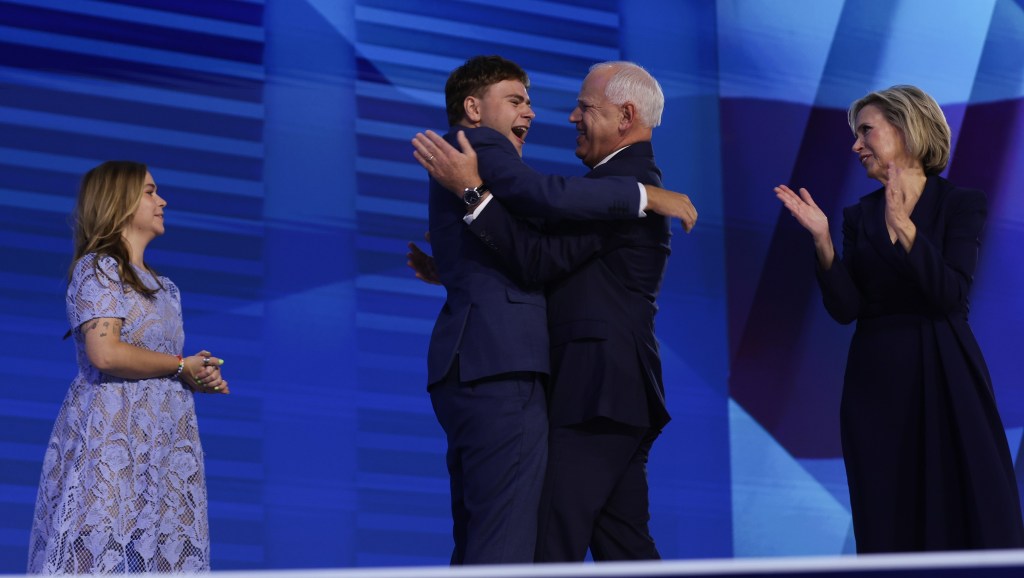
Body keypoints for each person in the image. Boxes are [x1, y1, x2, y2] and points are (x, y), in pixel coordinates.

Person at [413, 55, 696, 565]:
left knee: (542, 545)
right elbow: (536, 237)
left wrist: (472, 204)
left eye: (584, 107)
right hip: (609, 393)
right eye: (517, 100)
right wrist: (461, 254)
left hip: (596, 393)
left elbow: (536, 256)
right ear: (474, 108)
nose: (567, 117)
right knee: (621, 544)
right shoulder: (625, 189)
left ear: (624, 117)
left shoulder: (620, 188)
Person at [774, 85, 1024, 552]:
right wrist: (824, 242)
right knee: (887, 511)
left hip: (945, 370)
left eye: (865, 130)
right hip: (877, 380)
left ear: (906, 130)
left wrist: (905, 230)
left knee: (966, 507)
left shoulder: (960, 203)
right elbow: (847, 309)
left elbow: (951, 295)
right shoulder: (859, 215)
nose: (855, 145)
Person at [27, 161, 229, 573]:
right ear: (119, 202)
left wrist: (196, 374)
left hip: (162, 448)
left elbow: (162, 367)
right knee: (94, 551)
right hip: (112, 448)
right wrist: (178, 365)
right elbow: (106, 354)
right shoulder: (99, 268)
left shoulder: (165, 287)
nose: (162, 201)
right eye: (151, 192)